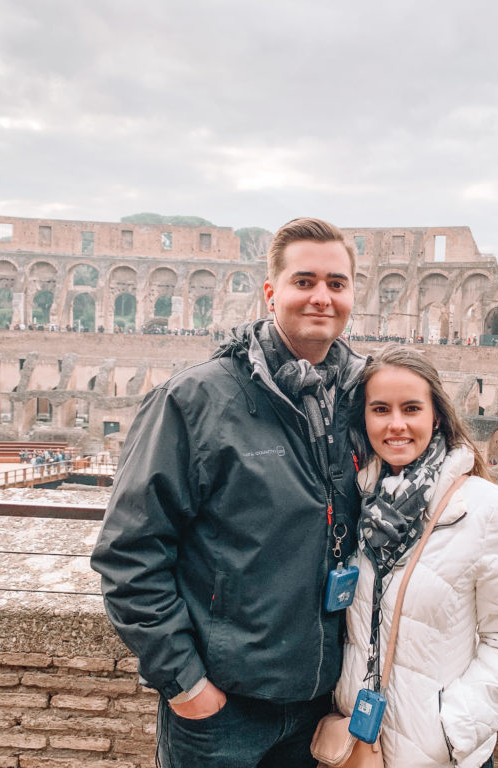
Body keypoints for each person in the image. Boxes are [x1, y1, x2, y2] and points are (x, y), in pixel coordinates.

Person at [91, 218, 366, 768]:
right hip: (223, 710)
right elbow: (129, 553)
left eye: (337, 283)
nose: (321, 297)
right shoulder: (194, 400)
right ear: (271, 293)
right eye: (304, 281)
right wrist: (186, 683)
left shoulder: (363, 401)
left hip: (323, 702)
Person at [335, 346, 498, 768]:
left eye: (411, 408)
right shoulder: (355, 501)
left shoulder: (488, 508)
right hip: (358, 747)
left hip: (438, 756)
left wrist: (451, 732)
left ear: (437, 417)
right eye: (380, 409)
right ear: (364, 419)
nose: (396, 424)